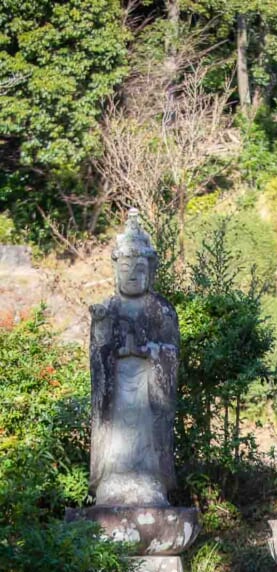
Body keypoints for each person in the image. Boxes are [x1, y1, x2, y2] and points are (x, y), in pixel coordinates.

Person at [90, 210, 179, 506]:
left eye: (139, 267)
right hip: (117, 393)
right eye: (126, 267)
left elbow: (171, 353)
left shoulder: (161, 310)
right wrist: (104, 337)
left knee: (147, 438)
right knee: (116, 439)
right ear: (115, 270)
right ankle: (111, 483)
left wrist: (148, 352)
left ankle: (150, 482)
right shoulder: (108, 310)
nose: (132, 274)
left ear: (151, 272)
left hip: (146, 389)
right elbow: (97, 360)